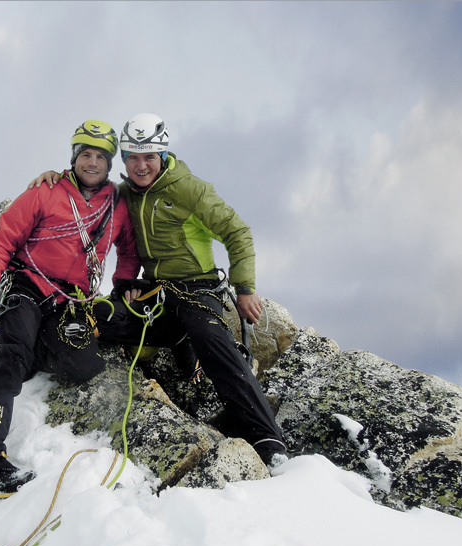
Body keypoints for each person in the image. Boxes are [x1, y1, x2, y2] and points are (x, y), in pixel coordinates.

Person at [30, 113, 289, 469]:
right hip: (156, 295)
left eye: (149, 156)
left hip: (197, 290)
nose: (140, 165)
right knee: (100, 317)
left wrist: (245, 289)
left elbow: (237, 232)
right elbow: (87, 186)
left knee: (213, 342)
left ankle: (268, 439)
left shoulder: (189, 189)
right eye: (133, 157)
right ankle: (44, 349)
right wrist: (57, 178)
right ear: (123, 158)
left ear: (163, 154)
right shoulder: (124, 194)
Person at [0, 119, 141, 500]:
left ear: (110, 164)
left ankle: (28, 352)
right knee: (10, 361)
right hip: (27, 286)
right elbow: (2, 238)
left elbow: (129, 250)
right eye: (84, 155)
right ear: (74, 158)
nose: (92, 163)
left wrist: (122, 287)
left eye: (100, 157)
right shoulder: (45, 192)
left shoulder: (118, 204)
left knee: (84, 365)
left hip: (69, 299)